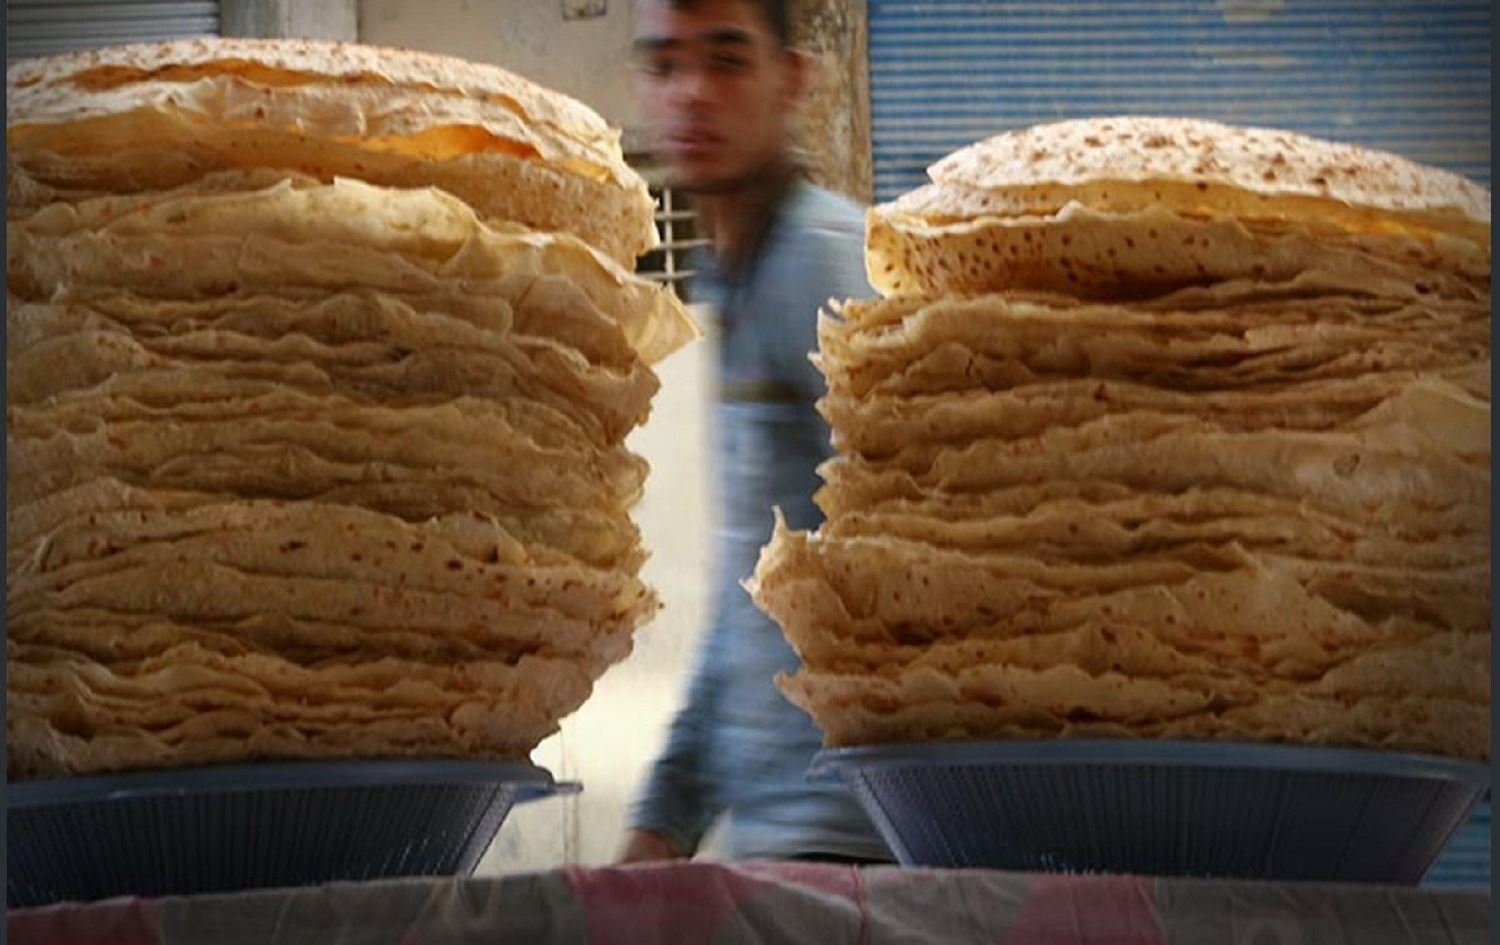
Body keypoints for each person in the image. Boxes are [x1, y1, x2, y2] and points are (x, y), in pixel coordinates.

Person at [618, 0, 892, 864]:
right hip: (778, 850)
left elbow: (913, 569)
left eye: (728, 60)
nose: (693, 93)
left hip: (855, 855)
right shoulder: (734, 273)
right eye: (666, 65)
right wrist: (664, 820)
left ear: (795, 81)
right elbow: (752, 594)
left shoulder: (825, 265)